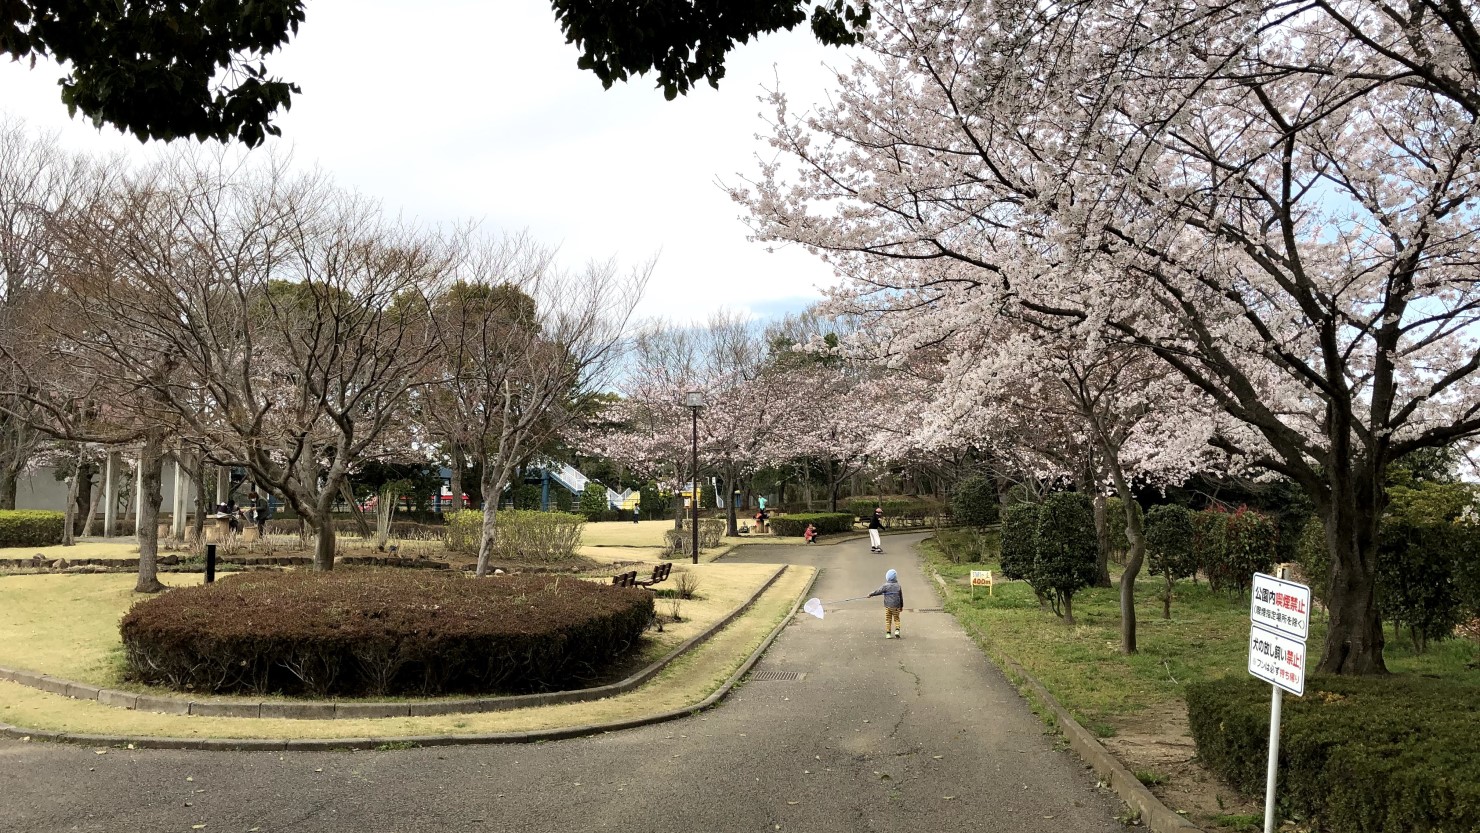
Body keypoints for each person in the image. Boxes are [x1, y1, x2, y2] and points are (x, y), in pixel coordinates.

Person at [868, 568, 904, 639]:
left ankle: (888, 633)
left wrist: (871, 594)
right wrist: (901, 606)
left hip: (888, 606)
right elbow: (901, 597)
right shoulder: (898, 586)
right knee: (896, 619)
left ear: (887, 577)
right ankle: (897, 630)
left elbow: (878, 591)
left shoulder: (885, 586)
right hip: (896, 606)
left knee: (888, 619)